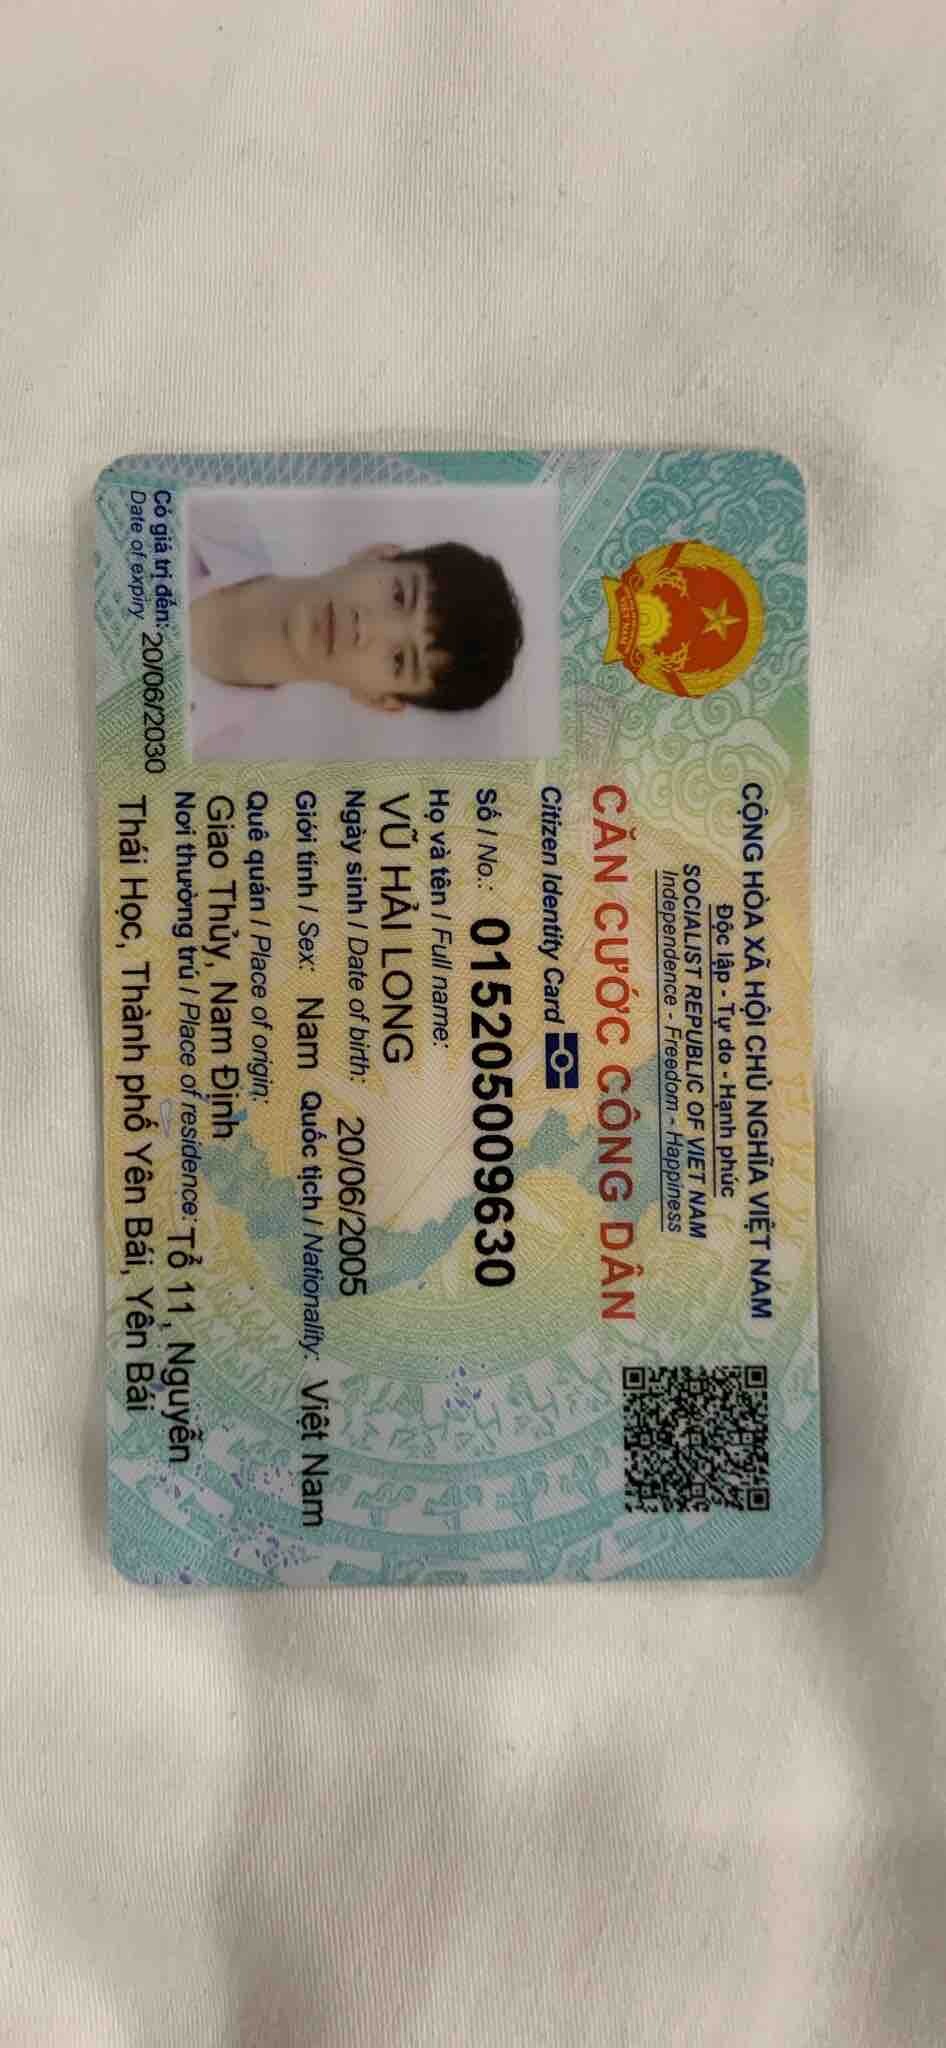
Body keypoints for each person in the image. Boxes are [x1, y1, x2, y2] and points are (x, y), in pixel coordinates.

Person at [187, 498, 524, 740]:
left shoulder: (204, 757)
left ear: (379, 700)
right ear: (375, 554)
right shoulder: (200, 506)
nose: (365, 628)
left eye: (399, 659)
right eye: (399, 596)